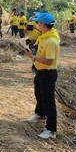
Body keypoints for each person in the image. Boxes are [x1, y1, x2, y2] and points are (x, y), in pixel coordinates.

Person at [24, 12, 60, 140]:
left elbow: (49, 61)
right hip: (41, 71)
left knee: (48, 100)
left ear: (43, 25)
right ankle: (40, 114)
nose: (36, 24)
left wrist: (33, 57)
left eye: (38, 22)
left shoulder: (50, 41)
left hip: (48, 73)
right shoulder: (44, 36)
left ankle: (51, 129)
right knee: (39, 93)